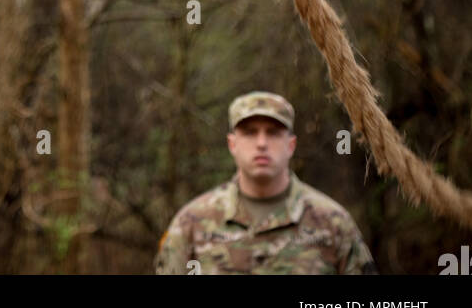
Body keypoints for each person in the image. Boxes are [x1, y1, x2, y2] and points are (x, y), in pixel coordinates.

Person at [155, 91, 377, 274]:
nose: (261, 143)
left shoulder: (332, 223)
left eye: (273, 133)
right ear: (232, 144)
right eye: (250, 133)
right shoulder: (192, 223)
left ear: (291, 145)